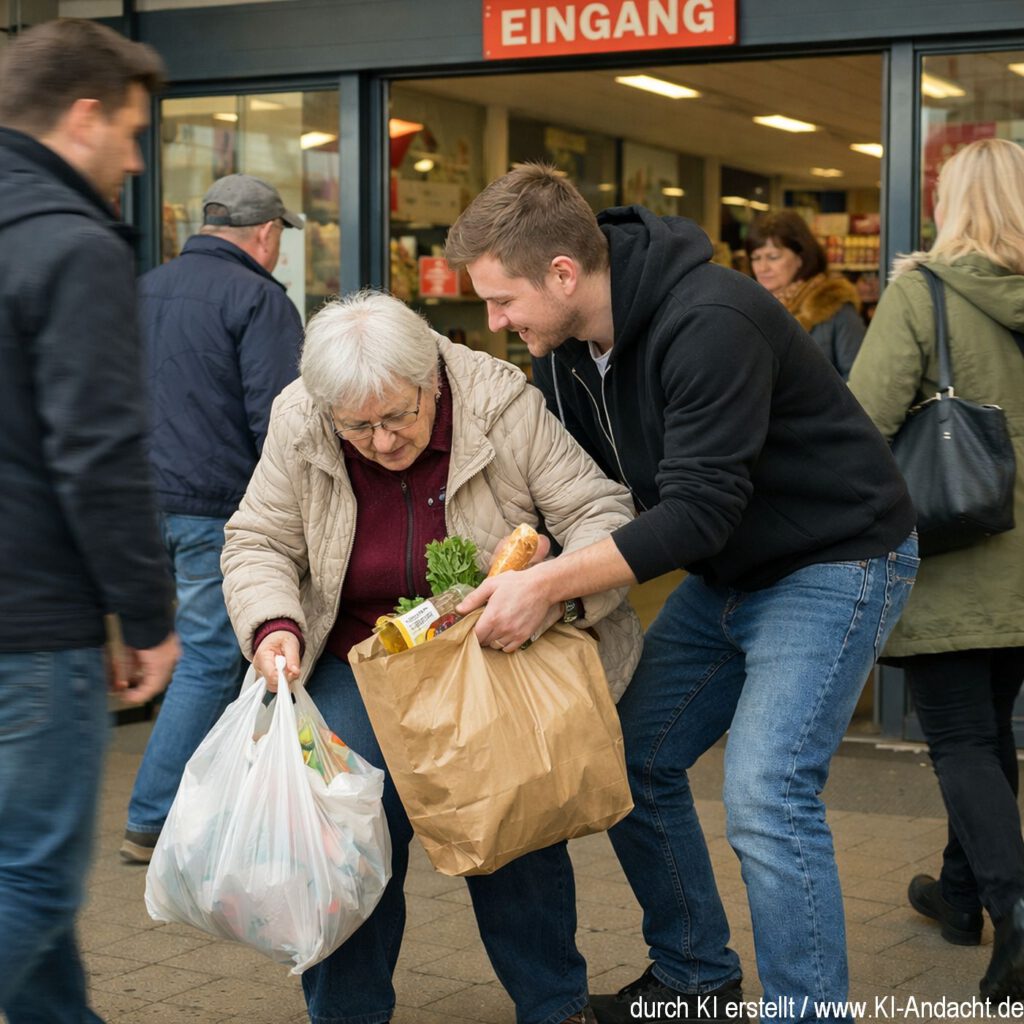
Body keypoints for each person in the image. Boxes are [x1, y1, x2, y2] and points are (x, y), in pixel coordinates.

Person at [444, 164, 919, 1024]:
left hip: (834, 559)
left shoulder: (711, 319)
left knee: (766, 792)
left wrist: (550, 584)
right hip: (732, 570)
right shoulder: (568, 352)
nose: (494, 322)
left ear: (562, 272)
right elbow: (591, 495)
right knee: (628, 758)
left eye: (503, 300)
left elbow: (698, 512)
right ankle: (697, 977)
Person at [220, 290, 643, 1024]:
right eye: (359, 427)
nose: (382, 442)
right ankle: (347, 1014)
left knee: (515, 811)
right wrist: (274, 627)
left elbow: (601, 513)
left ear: (432, 382)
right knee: (346, 826)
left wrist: (549, 588)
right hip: (358, 651)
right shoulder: (300, 417)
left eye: (397, 417)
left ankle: (555, 1005)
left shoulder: (499, 401)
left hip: (484, 641)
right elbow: (258, 541)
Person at [0, 18, 179, 1023]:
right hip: (30, 626)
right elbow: (100, 454)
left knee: (22, 870)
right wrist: (146, 618)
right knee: (31, 880)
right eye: (131, 130)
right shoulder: (72, 247)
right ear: (82, 118)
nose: (136, 155)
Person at [848, 137, 1024, 1003]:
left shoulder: (922, 292)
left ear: (952, 204)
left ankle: (1016, 914)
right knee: (990, 736)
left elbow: (862, 422)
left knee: (959, 741)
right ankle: (960, 900)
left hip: (958, 553)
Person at [120, 173, 304, 863]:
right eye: (280, 236)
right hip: (212, 510)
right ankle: (153, 815)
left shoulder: (140, 289)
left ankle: (214, 801)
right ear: (265, 234)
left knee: (191, 653)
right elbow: (279, 421)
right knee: (210, 658)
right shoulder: (259, 298)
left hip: (140, 506)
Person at [745, 209, 865, 379]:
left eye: (773, 257)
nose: (762, 268)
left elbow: (858, 380)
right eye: (756, 258)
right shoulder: (748, 307)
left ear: (800, 258)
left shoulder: (834, 306)